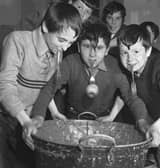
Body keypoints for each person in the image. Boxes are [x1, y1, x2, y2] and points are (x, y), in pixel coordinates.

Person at [22, 22, 152, 150]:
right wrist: (38, 117)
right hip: (72, 121)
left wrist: (142, 121)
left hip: (104, 122)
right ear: (78, 47)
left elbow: (131, 98)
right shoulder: (69, 63)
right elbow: (49, 89)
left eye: (99, 48)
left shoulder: (115, 68)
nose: (92, 55)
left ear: (107, 50)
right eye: (87, 46)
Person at [0, 2, 82, 168]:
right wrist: (25, 121)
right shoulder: (17, 40)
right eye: (62, 40)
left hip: (26, 119)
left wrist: (54, 112)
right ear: (45, 26)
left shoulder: (55, 52)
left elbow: (43, 87)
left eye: (71, 43)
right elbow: (5, 87)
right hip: (5, 118)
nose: (65, 48)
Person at [119, 24, 160, 168]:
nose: (130, 59)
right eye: (124, 53)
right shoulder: (128, 70)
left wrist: (156, 127)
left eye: (136, 51)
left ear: (148, 51)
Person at [19, 0, 99, 30]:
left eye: (87, 12)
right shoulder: (47, 13)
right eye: (79, 7)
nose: (82, 14)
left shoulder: (88, 29)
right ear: (70, 2)